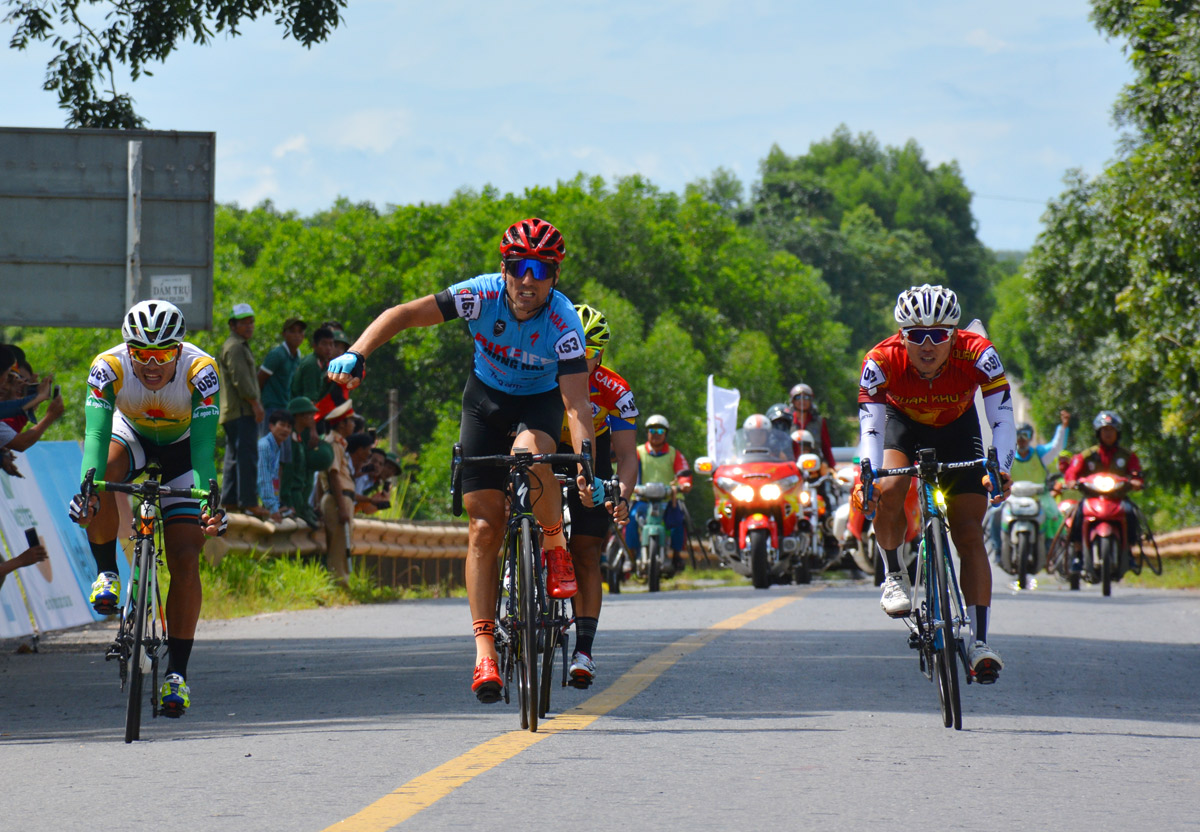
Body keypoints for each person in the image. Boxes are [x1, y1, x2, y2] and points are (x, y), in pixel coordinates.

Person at [327, 217, 604, 703]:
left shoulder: (564, 323)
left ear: (555, 276)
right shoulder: (479, 295)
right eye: (518, 267)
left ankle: (554, 544)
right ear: (504, 268)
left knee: (529, 453)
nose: (528, 280)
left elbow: (578, 406)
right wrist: (358, 352)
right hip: (484, 404)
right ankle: (484, 653)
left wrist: (585, 468)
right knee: (483, 529)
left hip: (537, 406)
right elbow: (403, 314)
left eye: (541, 270)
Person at [68, 300, 227, 718]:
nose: (151, 364)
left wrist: (208, 500)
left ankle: (177, 674)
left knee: (185, 556)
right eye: (141, 353)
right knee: (102, 475)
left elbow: (204, 448)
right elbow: (96, 435)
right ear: (128, 350)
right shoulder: (107, 367)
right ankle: (107, 572)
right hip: (131, 437)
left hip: (184, 451)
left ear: (179, 349)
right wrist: (88, 489)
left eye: (163, 354)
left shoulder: (201, 371)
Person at [850, 284, 1014, 683]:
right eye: (916, 335)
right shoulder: (880, 360)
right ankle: (893, 574)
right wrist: (867, 475)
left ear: (954, 335)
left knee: (969, 532)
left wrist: (1002, 469)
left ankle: (979, 641)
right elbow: (871, 429)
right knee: (889, 491)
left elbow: (1002, 418)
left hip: (959, 429)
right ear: (901, 335)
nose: (927, 345)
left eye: (938, 335)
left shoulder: (979, 354)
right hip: (902, 427)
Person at [555, 303, 635, 689]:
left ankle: (583, 651)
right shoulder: (542, 374)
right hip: (549, 443)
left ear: (600, 355)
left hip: (594, 451)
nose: (577, 358)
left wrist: (622, 496)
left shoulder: (614, 389)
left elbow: (627, 457)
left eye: (586, 353)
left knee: (586, 551)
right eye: (570, 348)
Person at [986, 410, 1071, 559]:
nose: (1022, 439)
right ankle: (998, 548)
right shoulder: (1008, 456)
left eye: (1025, 435)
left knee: (1055, 515)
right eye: (1018, 435)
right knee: (995, 513)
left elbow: (1056, 446)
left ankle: (1050, 550)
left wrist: (1063, 427)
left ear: (1030, 437)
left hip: (1039, 496)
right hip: (1012, 496)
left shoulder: (1040, 454)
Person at [1062, 411, 1144, 560]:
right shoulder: (1087, 454)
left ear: (1117, 433)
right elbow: (1072, 470)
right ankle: (1078, 553)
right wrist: (1071, 480)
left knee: (1130, 513)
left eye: (1111, 430)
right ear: (1098, 433)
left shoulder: (1127, 456)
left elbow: (1136, 472)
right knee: (1078, 513)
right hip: (1092, 498)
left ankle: (1130, 551)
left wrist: (1136, 481)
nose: (1108, 433)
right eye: (1104, 430)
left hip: (1117, 499)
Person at [625, 413, 692, 576]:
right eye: (652, 430)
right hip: (643, 500)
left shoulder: (674, 453)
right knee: (630, 520)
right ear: (647, 433)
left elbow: (683, 472)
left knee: (678, 522)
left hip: (667, 501)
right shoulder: (638, 452)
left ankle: (676, 555)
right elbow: (628, 470)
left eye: (660, 431)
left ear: (666, 434)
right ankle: (631, 556)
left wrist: (684, 484)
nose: (656, 434)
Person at [218, 303, 264, 513]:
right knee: (247, 457)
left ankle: (230, 501)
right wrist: (255, 404)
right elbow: (241, 380)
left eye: (251, 321)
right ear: (233, 325)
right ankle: (248, 502)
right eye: (244, 322)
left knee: (234, 457)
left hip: (233, 412)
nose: (249, 326)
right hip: (242, 411)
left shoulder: (237, 345)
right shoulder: (235, 346)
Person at [278, 396, 332, 528]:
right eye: (310, 415)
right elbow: (282, 471)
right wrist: (282, 502)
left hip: (298, 498)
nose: (313, 418)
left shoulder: (299, 440)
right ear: (299, 416)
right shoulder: (288, 440)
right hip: (289, 499)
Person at [318, 404, 357, 583]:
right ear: (342, 424)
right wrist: (342, 507)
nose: (354, 425)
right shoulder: (334, 443)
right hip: (338, 499)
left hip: (338, 498)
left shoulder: (338, 443)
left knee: (341, 546)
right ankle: (339, 584)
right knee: (338, 547)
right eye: (351, 421)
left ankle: (341, 583)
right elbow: (333, 475)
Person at [257, 318, 307, 429]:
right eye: (292, 331)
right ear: (284, 334)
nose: (297, 335)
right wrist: (258, 404)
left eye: (300, 332)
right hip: (271, 407)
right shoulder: (277, 354)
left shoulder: (297, 356)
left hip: (285, 407)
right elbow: (260, 378)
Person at [256, 409, 294, 522]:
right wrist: (272, 508)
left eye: (289, 427)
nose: (285, 429)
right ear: (271, 426)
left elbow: (274, 479)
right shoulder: (264, 446)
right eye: (282, 425)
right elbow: (264, 479)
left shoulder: (276, 447)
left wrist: (277, 506)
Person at [789, 382, 836, 469]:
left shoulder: (819, 421)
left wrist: (832, 466)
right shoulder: (787, 421)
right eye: (798, 397)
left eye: (806, 397)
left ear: (811, 400)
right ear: (793, 401)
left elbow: (826, 446)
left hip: (815, 466)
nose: (802, 401)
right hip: (792, 465)